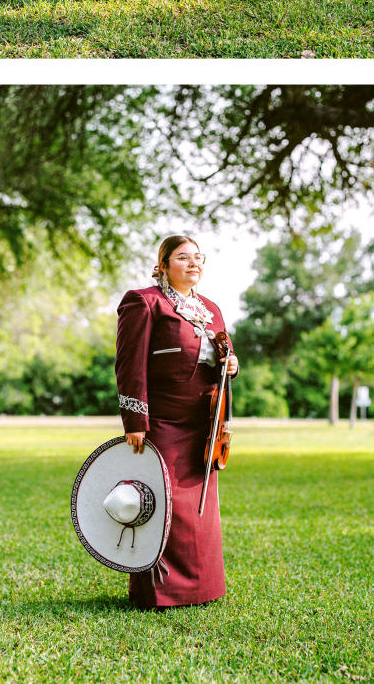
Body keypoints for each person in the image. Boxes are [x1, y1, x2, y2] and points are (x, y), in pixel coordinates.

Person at [115, 234, 239, 609]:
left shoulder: (213, 309)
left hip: (204, 422)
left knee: (201, 509)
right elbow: (129, 363)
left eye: (198, 258)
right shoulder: (143, 302)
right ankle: (159, 592)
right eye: (183, 257)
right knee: (163, 501)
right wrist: (135, 419)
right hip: (164, 420)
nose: (193, 263)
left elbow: (224, 355)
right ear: (163, 264)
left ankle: (203, 588)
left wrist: (232, 365)